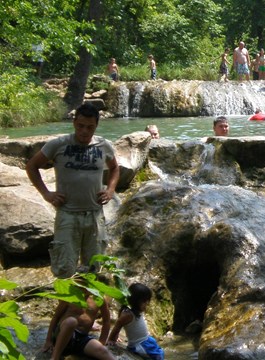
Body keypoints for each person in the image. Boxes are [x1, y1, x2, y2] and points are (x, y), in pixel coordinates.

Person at [26, 103, 119, 278]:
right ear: (74, 122)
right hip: (67, 214)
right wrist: (47, 194)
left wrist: (111, 189)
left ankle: (88, 305)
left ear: (96, 125)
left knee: (94, 267)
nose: (84, 131)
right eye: (80, 126)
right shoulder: (58, 144)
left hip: (94, 214)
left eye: (90, 127)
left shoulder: (104, 146)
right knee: (64, 268)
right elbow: (31, 166)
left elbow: (114, 168)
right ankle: (65, 306)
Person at [41, 281, 115, 360]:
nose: (81, 288)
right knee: (71, 322)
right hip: (62, 334)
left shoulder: (98, 298)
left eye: (84, 285)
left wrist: (101, 342)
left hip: (81, 338)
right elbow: (56, 316)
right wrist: (48, 341)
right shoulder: (70, 295)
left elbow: (106, 321)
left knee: (103, 351)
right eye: (79, 285)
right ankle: (55, 357)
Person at [107, 283, 164, 360]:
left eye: (147, 301)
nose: (147, 304)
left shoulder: (135, 310)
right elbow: (117, 325)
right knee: (157, 357)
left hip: (146, 339)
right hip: (139, 344)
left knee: (160, 352)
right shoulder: (128, 314)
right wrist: (111, 339)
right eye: (144, 301)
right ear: (135, 301)